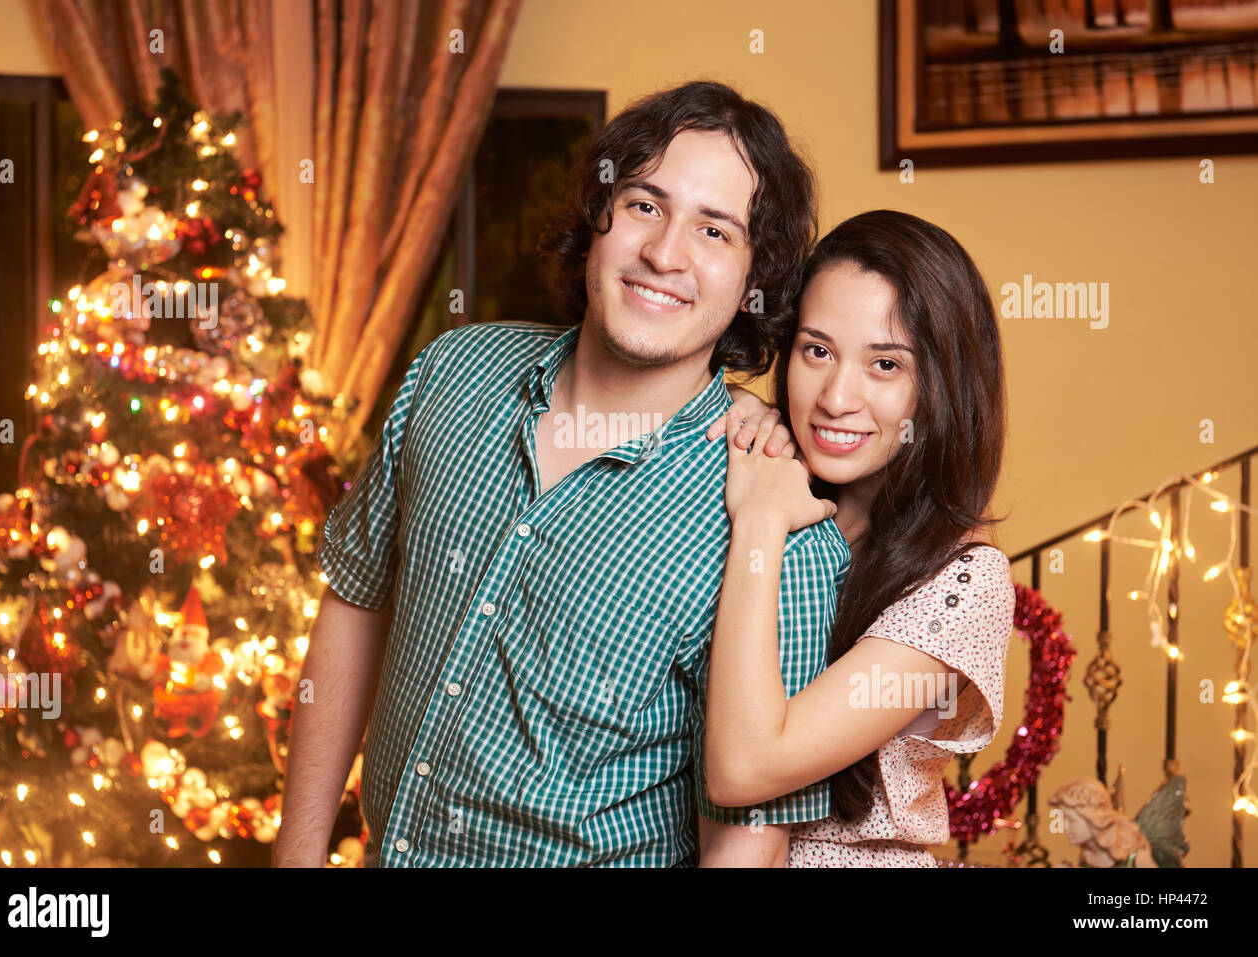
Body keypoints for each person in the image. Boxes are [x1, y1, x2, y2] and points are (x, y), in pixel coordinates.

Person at [273, 79, 851, 868]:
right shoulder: (450, 375)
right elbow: (356, 599)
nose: (665, 253)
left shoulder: (773, 528)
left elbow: (744, 846)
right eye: (646, 204)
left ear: (757, 281)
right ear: (598, 216)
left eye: (715, 231)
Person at [701, 209, 1015, 867]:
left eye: (884, 364)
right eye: (817, 351)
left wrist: (760, 519)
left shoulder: (962, 581)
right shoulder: (770, 478)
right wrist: (740, 410)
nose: (837, 397)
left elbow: (746, 767)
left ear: (941, 385)